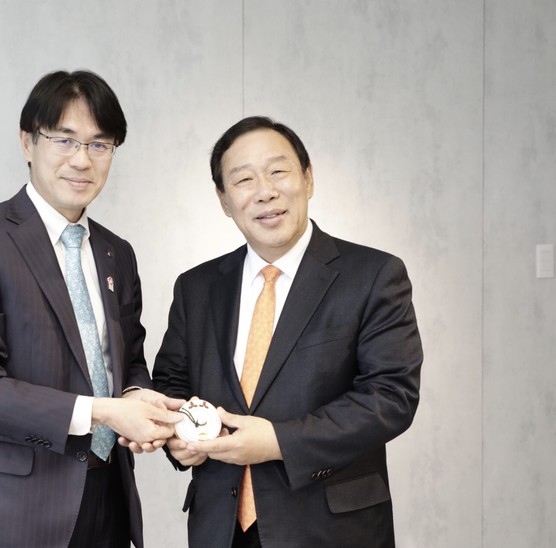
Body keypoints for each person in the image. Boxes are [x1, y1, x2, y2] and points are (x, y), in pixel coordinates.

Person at [0, 69, 184, 548]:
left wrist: (137, 396)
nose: (82, 160)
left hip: (109, 499)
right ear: (28, 142)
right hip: (17, 510)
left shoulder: (117, 252)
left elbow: (128, 360)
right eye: (64, 140)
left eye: (99, 144)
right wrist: (104, 412)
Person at [150, 116, 423, 547]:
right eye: (244, 179)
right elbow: (171, 382)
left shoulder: (373, 275)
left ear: (308, 178)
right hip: (220, 528)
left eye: (278, 171)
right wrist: (179, 437)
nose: (265, 191)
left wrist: (279, 441)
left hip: (329, 530)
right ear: (224, 200)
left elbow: (390, 397)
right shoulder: (196, 287)